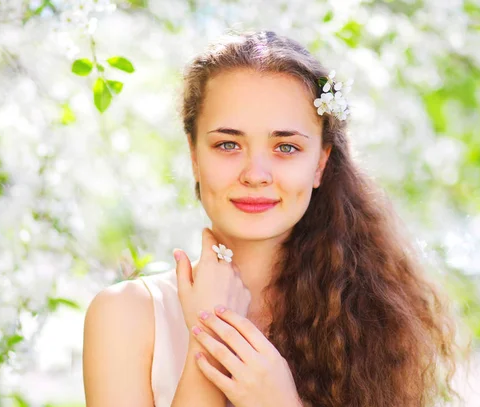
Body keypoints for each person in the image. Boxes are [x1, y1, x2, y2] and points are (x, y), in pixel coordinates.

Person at [82, 30, 460, 407]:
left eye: (286, 147)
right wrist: (211, 336)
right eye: (228, 144)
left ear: (320, 164)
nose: (256, 173)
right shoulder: (126, 315)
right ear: (195, 156)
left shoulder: (370, 322)